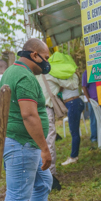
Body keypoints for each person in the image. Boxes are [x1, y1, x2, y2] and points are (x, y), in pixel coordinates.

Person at [0, 38, 56, 201]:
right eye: (46, 58)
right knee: (17, 195)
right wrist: (44, 147)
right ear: (34, 55)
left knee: (43, 182)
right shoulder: (23, 76)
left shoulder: (14, 71)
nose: (47, 63)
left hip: (24, 143)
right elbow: (29, 114)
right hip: (22, 144)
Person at [38, 52, 79, 189]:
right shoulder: (50, 72)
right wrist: (73, 71)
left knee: (36, 143)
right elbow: (72, 85)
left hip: (31, 110)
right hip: (45, 110)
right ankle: (49, 175)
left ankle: (39, 174)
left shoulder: (34, 72)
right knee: (48, 141)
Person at [54, 56, 83, 166]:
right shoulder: (71, 75)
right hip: (74, 103)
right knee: (74, 131)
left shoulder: (68, 75)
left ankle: (74, 156)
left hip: (73, 103)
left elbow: (60, 88)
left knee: (74, 132)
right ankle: (74, 155)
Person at [81, 69, 101, 146]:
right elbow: (84, 87)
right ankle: (94, 138)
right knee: (94, 120)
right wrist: (88, 99)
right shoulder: (87, 72)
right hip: (93, 101)